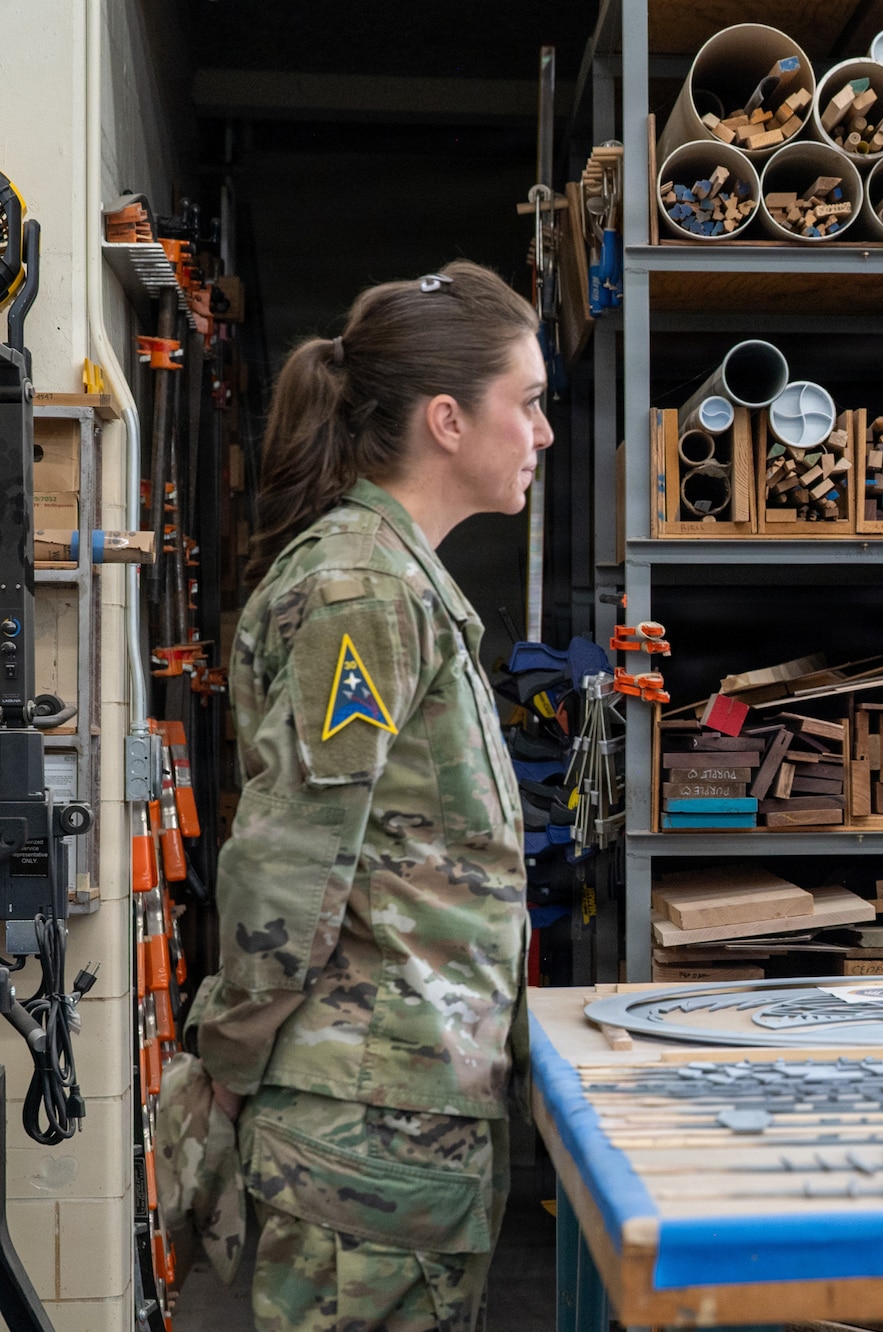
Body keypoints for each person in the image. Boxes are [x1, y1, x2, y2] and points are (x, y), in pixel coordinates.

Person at [184, 261, 549, 1331]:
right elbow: (292, 857)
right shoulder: (363, 590)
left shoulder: (398, 582)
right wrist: (232, 1061)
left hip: (412, 1096)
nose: (543, 432)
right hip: (367, 1119)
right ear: (446, 419)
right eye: (525, 404)